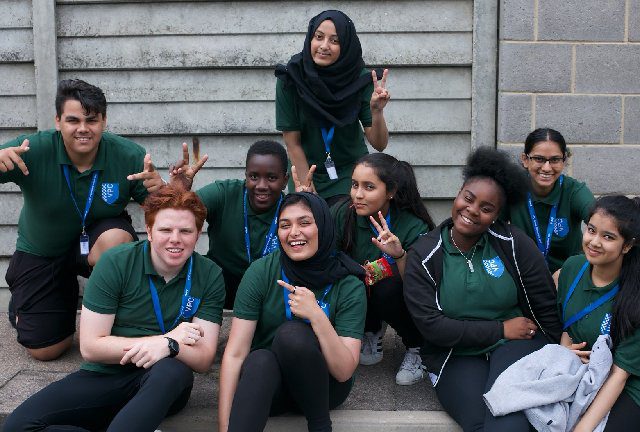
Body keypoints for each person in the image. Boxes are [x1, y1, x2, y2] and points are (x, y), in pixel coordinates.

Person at [4, 186, 225, 432]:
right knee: (17, 426)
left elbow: (204, 358)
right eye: (165, 230)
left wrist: (169, 348)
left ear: (197, 234)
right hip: (107, 374)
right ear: (150, 232)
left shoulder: (209, 274)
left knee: (172, 370)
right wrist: (166, 339)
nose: (175, 238)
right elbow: (90, 347)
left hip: (164, 381)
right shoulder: (116, 262)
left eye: (185, 231)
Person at [0, 79, 163, 361]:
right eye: (73, 120)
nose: (83, 129)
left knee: (118, 242)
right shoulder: (31, 149)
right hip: (43, 251)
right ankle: (30, 305)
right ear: (58, 120)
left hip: (97, 243)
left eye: (92, 120)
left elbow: (162, 209)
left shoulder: (128, 155)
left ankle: (113, 325)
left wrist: (168, 189)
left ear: (104, 121)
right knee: (46, 350)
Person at [403, 147, 563, 431]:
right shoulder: (425, 253)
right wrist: (500, 329)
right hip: (457, 353)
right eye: (468, 198)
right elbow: (432, 327)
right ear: (459, 193)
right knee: (478, 423)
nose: (473, 211)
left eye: (486, 208)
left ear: (497, 215)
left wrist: (555, 346)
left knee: (509, 419)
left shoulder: (513, 243)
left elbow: (543, 301)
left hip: (518, 344)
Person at [218, 192, 366, 432]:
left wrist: (317, 316)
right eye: (285, 225)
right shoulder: (262, 271)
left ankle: (320, 427)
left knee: (292, 335)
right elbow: (235, 355)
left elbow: (343, 371)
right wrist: (224, 427)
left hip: (326, 387)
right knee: (259, 358)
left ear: (324, 226)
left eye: (305, 223)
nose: (294, 232)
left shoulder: (348, 283)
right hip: (269, 387)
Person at [331, 153, 435, 385]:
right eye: (355, 185)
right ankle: (370, 329)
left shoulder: (413, 225)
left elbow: (422, 286)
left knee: (387, 284)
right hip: (360, 292)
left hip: (401, 299)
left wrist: (399, 255)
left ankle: (417, 347)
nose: (358, 194)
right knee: (349, 278)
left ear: (390, 191)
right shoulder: (342, 214)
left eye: (369, 187)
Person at [275, 9, 390, 205]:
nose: (324, 46)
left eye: (335, 41)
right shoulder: (291, 78)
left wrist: (377, 111)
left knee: (345, 225)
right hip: (305, 169)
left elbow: (379, 144)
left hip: (351, 172)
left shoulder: (360, 80)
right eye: (318, 37)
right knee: (310, 220)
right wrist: (308, 190)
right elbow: (292, 143)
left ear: (345, 46)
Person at [169, 139, 289, 309]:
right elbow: (177, 216)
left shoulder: (292, 208)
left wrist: (310, 204)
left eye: (271, 178)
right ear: (246, 175)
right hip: (220, 283)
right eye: (254, 177)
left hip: (269, 291)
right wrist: (178, 193)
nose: (262, 186)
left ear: (285, 180)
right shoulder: (225, 193)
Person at [555, 195, 640, 431]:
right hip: (587, 375)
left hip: (629, 382)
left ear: (627, 245)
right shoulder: (572, 268)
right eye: (591, 230)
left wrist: (582, 428)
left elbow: (619, 376)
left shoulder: (635, 295)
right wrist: (563, 355)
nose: (594, 242)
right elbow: (569, 326)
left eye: (608, 237)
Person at [504, 128, 595, 273]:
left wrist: (569, 271)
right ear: (525, 160)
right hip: (523, 274)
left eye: (555, 160)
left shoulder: (574, 192)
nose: (547, 168)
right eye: (539, 159)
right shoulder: (511, 189)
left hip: (568, 275)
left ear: (564, 160)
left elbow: (602, 221)